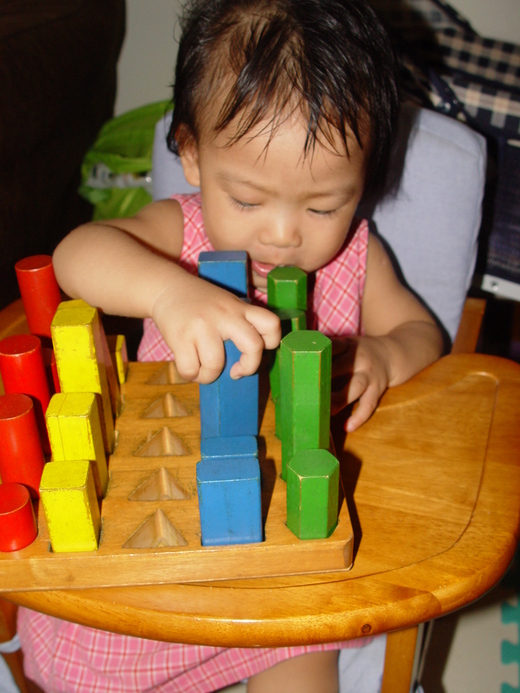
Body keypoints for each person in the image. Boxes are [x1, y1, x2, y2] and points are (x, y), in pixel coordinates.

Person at [18, 1, 444, 691]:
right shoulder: (179, 238)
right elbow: (76, 254)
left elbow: (424, 333)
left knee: (308, 651)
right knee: (101, 650)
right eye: (247, 200)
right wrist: (168, 292)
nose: (282, 234)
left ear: (364, 181)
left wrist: (386, 355)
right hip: (168, 524)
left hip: (289, 541)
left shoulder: (357, 258)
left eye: (323, 206)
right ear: (190, 153)